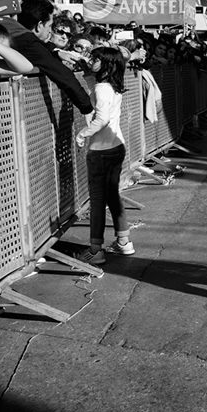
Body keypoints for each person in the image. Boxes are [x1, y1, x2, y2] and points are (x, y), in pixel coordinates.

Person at [74, 46, 134, 265]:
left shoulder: (102, 88)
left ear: (106, 63)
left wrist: (82, 134)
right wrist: (87, 71)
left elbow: (101, 119)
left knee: (98, 201)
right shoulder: (111, 85)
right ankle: (123, 241)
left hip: (101, 152)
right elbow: (95, 89)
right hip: (116, 146)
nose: (91, 60)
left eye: (95, 58)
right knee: (112, 196)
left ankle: (95, 249)